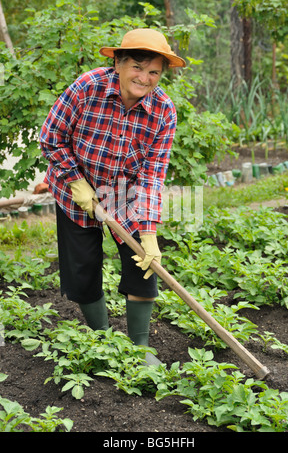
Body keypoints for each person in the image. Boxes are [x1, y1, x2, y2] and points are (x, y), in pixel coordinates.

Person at [39, 28, 185, 365]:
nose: (145, 78)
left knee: (141, 267)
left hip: (125, 194)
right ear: (118, 62)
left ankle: (140, 347)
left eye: (154, 72)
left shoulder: (163, 111)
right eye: (137, 66)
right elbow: (51, 138)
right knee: (83, 266)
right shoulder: (87, 88)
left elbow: (152, 175)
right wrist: (77, 182)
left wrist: (148, 234)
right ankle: (102, 337)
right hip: (73, 187)